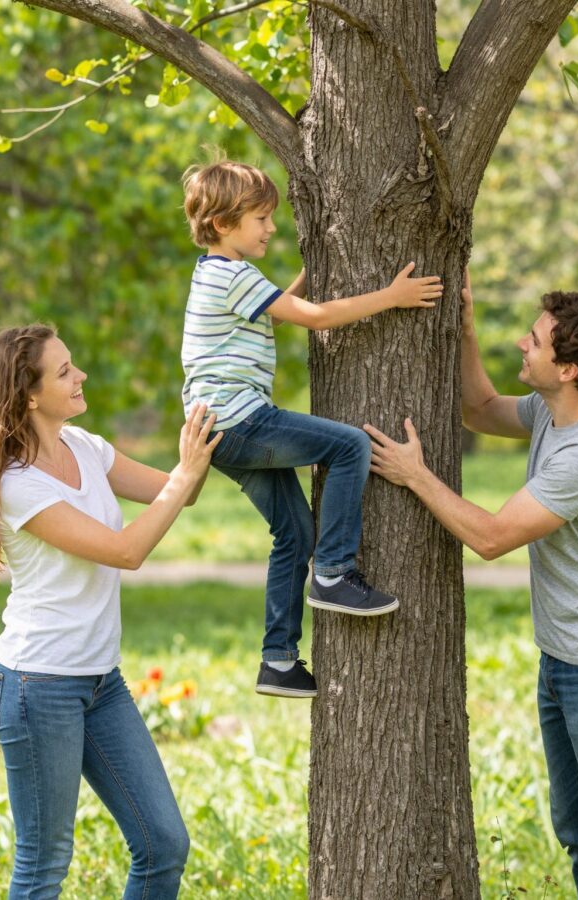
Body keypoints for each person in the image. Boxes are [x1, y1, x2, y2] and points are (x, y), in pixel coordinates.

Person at [363, 273, 578, 898]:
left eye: (533, 341)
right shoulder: (553, 413)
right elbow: (478, 408)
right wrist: (466, 326)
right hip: (566, 659)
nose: (522, 345)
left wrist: (415, 475)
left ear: (567, 368)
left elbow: (492, 537)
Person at [0, 324, 221, 900]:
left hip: (100, 681)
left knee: (163, 845)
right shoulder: (18, 485)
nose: (79, 376)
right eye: (64, 371)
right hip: (38, 685)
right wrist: (183, 475)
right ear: (28, 395)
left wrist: (210, 425)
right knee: (43, 865)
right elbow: (127, 551)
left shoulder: (86, 446)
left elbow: (183, 489)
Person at [180, 159, 443, 699]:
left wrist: (307, 280)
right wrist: (390, 297)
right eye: (260, 218)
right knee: (348, 445)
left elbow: (280, 311)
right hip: (240, 420)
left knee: (292, 533)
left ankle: (278, 660)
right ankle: (334, 573)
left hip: (216, 431)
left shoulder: (214, 273)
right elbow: (316, 318)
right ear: (225, 222)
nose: (270, 228)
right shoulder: (234, 275)